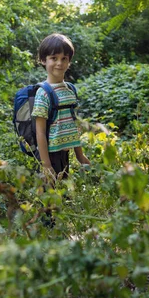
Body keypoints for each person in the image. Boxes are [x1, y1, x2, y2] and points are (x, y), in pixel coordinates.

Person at [32, 33, 91, 185]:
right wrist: (46, 165)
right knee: (50, 199)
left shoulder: (70, 89)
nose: (59, 63)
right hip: (49, 155)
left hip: (65, 153)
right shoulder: (43, 93)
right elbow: (40, 132)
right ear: (43, 60)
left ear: (69, 62)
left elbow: (72, 126)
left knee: (63, 194)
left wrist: (80, 156)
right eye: (54, 58)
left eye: (64, 58)